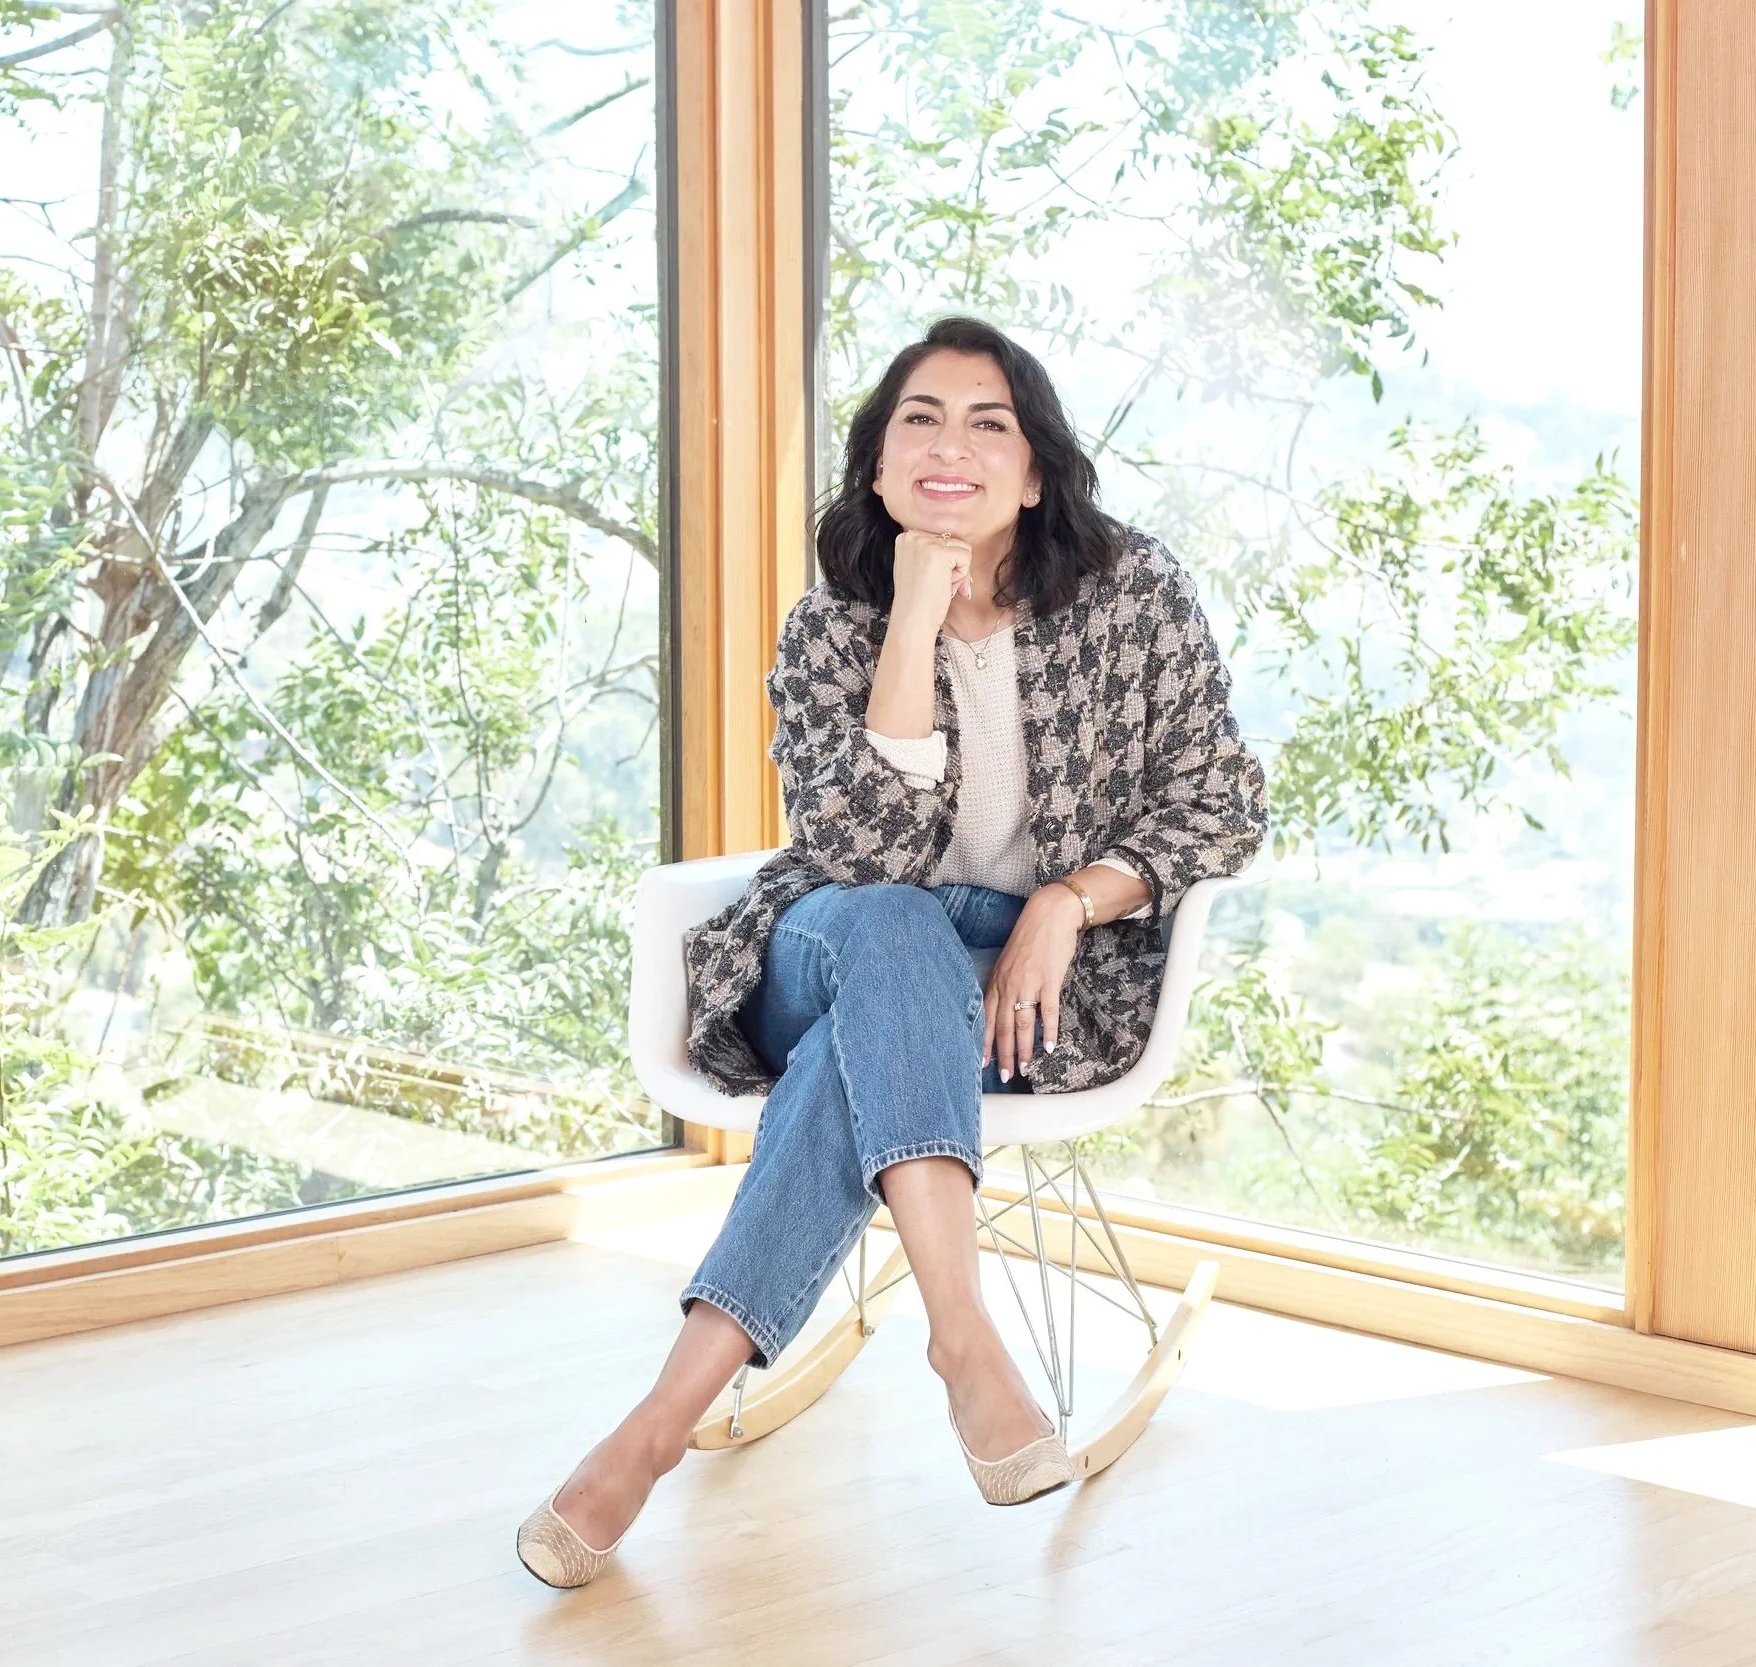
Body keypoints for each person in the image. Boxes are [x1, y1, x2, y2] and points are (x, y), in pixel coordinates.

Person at [516, 316, 1269, 1589]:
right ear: (877, 464)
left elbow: (1222, 801)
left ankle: (649, 1430)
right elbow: (862, 858)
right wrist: (913, 617)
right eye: (919, 419)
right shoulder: (832, 623)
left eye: (988, 423)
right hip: (830, 938)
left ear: (1035, 471)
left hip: (1030, 985)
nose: (949, 446)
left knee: (844, 1070)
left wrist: (1065, 903)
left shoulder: (1133, 592)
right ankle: (964, 1336)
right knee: (894, 924)